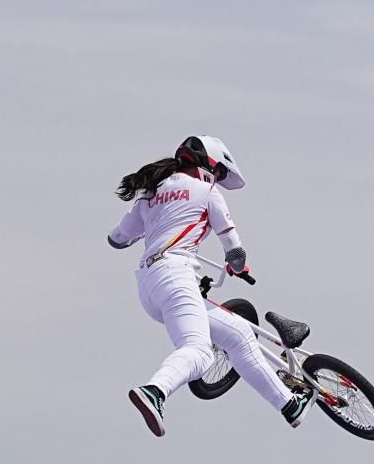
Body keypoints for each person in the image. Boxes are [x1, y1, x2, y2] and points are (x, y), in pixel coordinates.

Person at [108, 134, 313, 437]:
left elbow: (116, 240)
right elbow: (235, 250)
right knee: (200, 352)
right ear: (209, 165)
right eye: (218, 173)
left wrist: (156, 224)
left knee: (241, 333)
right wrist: (238, 267)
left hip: (149, 287)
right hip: (175, 275)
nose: (217, 179)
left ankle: (288, 404)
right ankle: (155, 391)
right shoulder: (207, 192)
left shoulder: (150, 196)